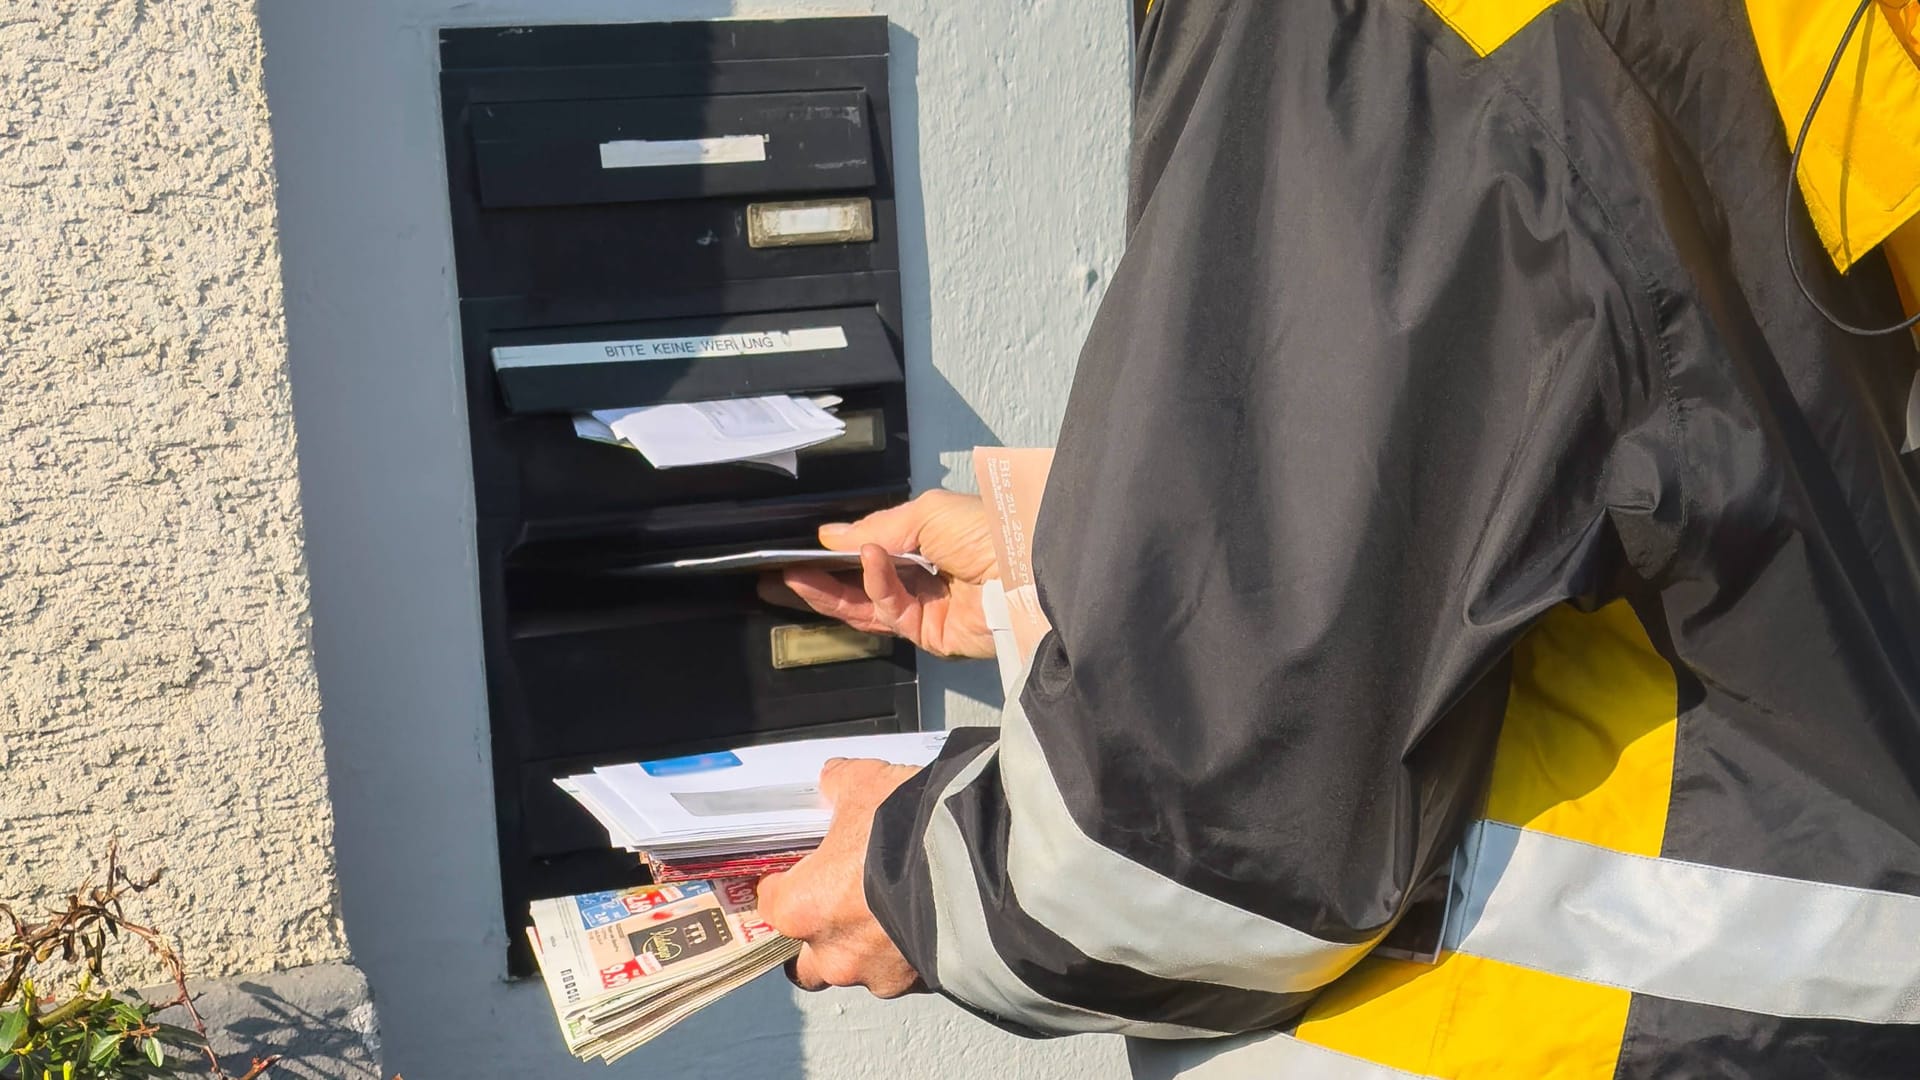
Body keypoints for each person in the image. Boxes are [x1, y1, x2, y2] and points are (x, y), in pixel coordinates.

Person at [757, 0, 1920, 1075]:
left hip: (1586, 1032)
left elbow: (1203, 844)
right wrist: (1090, 558)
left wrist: (909, 873)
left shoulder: (1359, 25)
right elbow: (1708, 436)